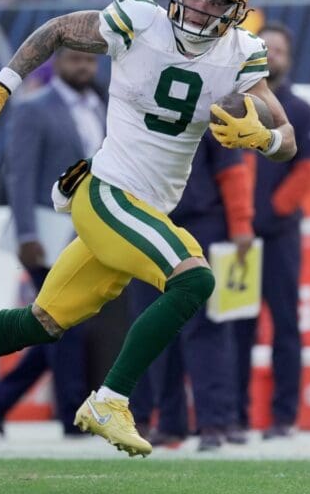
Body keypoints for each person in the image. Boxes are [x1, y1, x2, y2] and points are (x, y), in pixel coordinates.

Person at [0, 0, 297, 458]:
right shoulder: (140, 22)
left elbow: (286, 135)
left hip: (143, 207)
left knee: (41, 321)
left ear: (233, 11)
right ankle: (111, 400)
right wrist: (3, 84)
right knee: (194, 279)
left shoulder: (240, 54)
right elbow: (56, 29)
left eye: (214, 2)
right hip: (108, 192)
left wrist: (264, 139)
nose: (199, 8)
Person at [0, 48, 108, 437]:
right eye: (75, 59)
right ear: (57, 63)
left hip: (94, 235)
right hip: (47, 234)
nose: (84, 67)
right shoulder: (34, 108)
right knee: (66, 324)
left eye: (90, 61)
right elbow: (20, 175)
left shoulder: (104, 104)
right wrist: (26, 234)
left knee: (57, 327)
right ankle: (72, 418)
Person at [129, 131, 254, 452]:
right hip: (149, 227)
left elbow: (232, 168)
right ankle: (170, 423)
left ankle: (216, 421)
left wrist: (241, 224)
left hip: (201, 225)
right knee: (155, 329)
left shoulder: (205, 103)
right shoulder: (134, 106)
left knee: (206, 328)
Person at [234, 22, 310, 439]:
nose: (273, 55)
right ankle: (232, 413)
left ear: (289, 56)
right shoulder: (235, 104)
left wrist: (269, 213)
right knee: (236, 327)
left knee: (285, 326)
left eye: (279, 49)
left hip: (278, 236)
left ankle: (283, 417)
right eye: (265, 48)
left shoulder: (300, 110)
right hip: (237, 240)